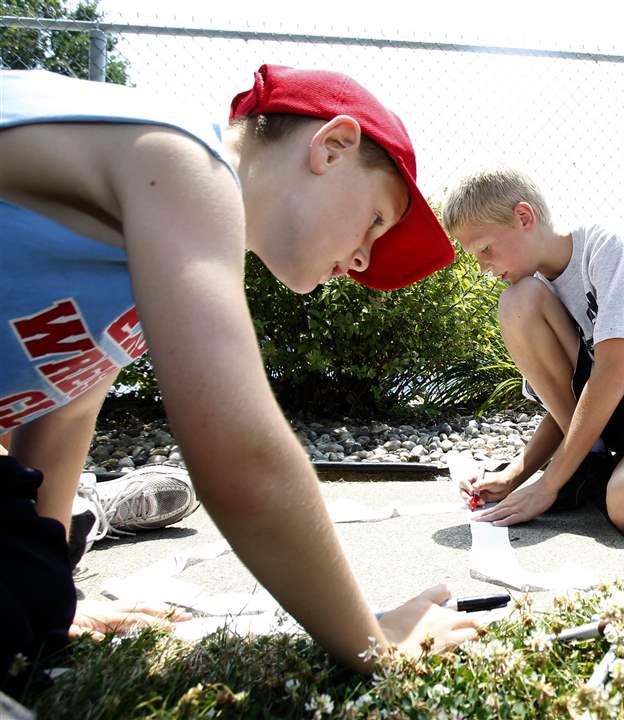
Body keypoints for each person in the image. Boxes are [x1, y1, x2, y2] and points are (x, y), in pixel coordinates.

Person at [0, 64, 478, 683]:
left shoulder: (159, 243)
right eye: (376, 222)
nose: (363, 259)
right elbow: (241, 461)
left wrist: (52, 602)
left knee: (26, 603)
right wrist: (373, 640)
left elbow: (62, 416)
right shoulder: (181, 159)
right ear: (333, 147)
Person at [443, 168, 624, 532]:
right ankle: (591, 465)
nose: (483, 266)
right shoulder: (537, 287)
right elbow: (569, 404)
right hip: (612, 423)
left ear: (524, 217)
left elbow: (610, 379)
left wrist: (548, 485)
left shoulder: (613, 250)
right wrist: (514, 475)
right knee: (517, 302)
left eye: (485, 249)